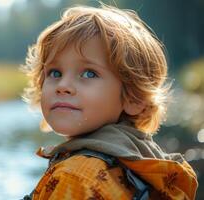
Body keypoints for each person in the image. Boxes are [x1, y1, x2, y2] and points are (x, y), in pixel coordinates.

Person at [21, 3, 198, 200]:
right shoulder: (147, 165)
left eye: (89, 73)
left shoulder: (74, 178)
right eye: (55, 72)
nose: (63, 85)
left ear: (134, 98)